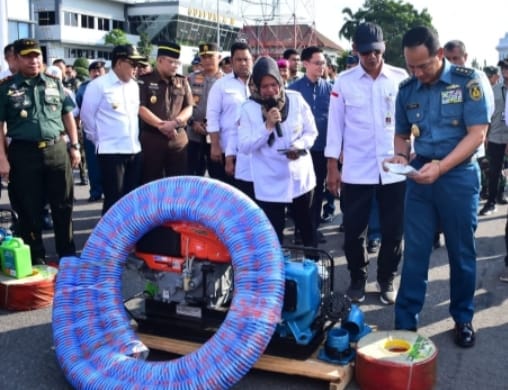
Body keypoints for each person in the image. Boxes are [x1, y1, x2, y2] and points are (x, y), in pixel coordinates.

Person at [388, 26, 489, 348]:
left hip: (457, 176)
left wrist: (442, 167)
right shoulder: (407, 89)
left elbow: (477, 134)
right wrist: (400, 157)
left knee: (461, 252)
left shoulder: (468, 81)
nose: (417, 73)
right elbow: (402, 134)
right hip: (420, 177)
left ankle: (463, 317)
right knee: (415, 253)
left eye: (423, 66)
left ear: (440, 55)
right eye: (410, 66)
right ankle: (405, 323)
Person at [325, 22, 408, 305]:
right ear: (355, 50)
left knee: (394, 231)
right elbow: (335, 129)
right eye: (364, 51)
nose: (371, 56)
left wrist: (412, 157)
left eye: (375, 50)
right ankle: (358, 279)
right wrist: (332, 168)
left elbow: (409, 123)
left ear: (383, 47)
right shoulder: (344, 82)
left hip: (394, 168)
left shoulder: (400, 78)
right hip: (357, 168)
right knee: (353, 231)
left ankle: (386, 279)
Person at [0, 39, 81, 264]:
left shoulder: (55, 83)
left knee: (63, 205)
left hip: (56, 149)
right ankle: (36, 257)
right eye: (27, 56)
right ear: (15, 59)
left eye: (36, 56)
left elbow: (67, 115)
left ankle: (67, 253)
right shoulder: (6, 88)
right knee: (29, 208)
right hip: (24, 153)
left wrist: (74, 146)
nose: (33, 60)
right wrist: (2, 159)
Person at [238, 56, 317, 246]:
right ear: (256, 86)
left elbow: (312, 132)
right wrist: (267, 126)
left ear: (280, 82)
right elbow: (245, 146)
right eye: (264, 86)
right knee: (273, 233)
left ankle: (314, 266)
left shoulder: (296, 100)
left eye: (274, 84)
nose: (270, 91)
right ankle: (276, 272)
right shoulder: (248, 108)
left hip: (299, 178)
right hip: (269, 180)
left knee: (306, 226)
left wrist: (298, 147)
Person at [80, 45, 147, 215]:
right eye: (133, 64)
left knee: (131, 198)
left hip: (133, 148)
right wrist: (99, 140)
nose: (136, 69)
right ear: (119, 62)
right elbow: (87, 118)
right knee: (114, 200)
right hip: (111, 151)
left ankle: (129, 239)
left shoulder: (134, 86)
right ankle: (110, 240)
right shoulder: (98, 85)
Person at [289, 46, 332, 245]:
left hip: (322, 148)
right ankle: (301, 229)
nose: (321, 67)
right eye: (317, 63)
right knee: (301, 192)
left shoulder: (330, 89)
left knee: (319, 190)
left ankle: (312, 229)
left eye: (323, 63)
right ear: (305, 64)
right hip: (301, 150)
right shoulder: (294, 90)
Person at [138, 42, 193, 183]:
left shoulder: (182, 81)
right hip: (152, 140)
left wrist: (174, 123)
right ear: (159, 61)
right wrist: (161, 125)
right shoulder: (144, 81)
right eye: (171, 62)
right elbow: (141, 108)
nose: (175, 65)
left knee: (178, 183)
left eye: (177, 62)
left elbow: (189, 107)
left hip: (178, 140)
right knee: (151, 182)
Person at [206, 41, 254, 195]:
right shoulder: (221, 85)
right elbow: (212, 116)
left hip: (253, 151)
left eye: (246, 59)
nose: (243, 63)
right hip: (226, 149)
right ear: (232, 61)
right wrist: (214, 145)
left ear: (251, 60)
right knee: (227, 194)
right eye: (238, 60)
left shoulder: (259, 85)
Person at [186, 43, 223, 176]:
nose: (206, 60)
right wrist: (192, 122)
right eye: (203, 57)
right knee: (193, 175)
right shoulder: (191, 79)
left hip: (217, 138)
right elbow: (183, 105)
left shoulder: (225, 81)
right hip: (193, 135)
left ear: (219, 57)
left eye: (210, 56)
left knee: (217, 176)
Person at [479, 59, 508, 215]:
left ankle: (502, 194)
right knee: (494, 171)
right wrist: (486, 135)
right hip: (496, 136)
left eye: (507, 67)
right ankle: (491, 202)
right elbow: (487, 114)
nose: (505, 70)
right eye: (503, 68)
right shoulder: (493, 90)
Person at [75, 60, 106, 202]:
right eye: (93, 70)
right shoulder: (83, 88)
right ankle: (95, 192)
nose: (97, 73)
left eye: (99, 70)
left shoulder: (113, 86)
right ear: (89, 73)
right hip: (90, 131)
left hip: (109, 131)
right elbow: (77, 110)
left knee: (111, 165)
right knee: (93, 165)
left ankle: (111, 192)